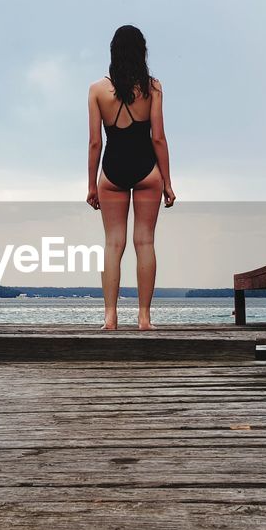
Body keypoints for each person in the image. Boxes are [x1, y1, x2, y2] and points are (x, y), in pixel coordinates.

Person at [86, 25, 175, 330]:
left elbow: (95, 143)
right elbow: (159, 138)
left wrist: (90, 185)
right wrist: (168, 182)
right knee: (145, 242)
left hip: (111, 171)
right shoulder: (153, 88)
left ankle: (110, 317)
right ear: (142, 52)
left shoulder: (97, 90)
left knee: (113, 244)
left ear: (113, 52)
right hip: (147, 170)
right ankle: (144, 318)